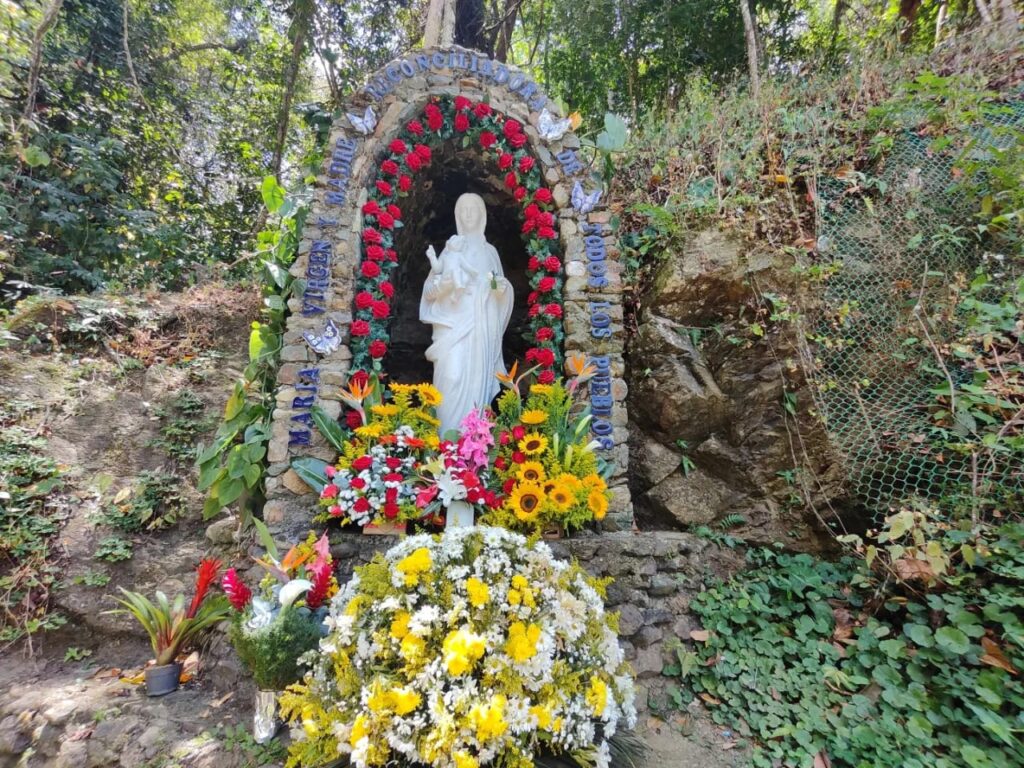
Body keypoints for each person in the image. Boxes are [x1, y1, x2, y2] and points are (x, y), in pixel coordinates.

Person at [420, 193, 513, 435]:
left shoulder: (489, 252)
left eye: (473, 209)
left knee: (475, 388)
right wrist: (447, 284)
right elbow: (430, 291)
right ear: (458, 216)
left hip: (480, 328)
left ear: (482, 215)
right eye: (464, 210)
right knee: (450, 377)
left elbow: (496, 286)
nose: (469, 214)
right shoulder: (450, 251)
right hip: (451, 327)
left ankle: (473, 446)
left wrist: (499, 288)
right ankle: (444, 447)